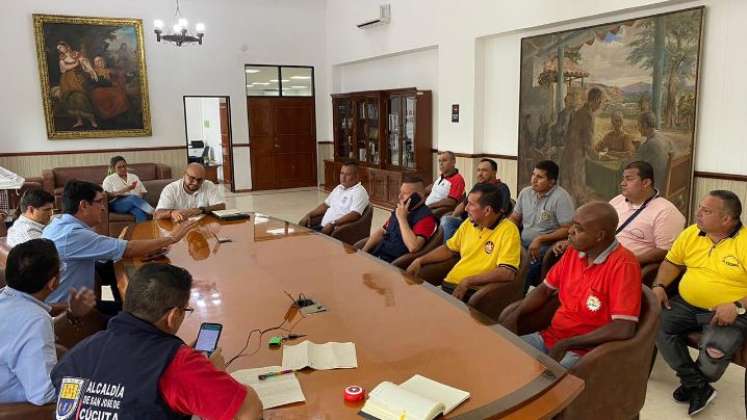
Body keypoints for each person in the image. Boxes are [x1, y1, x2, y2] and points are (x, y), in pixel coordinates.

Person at [51, 263, 263, 419]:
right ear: (173, 316)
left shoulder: (80, 353)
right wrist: (216, 372)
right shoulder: (177, 365)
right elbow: (248, 410)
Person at [501, 202, 642, 368]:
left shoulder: (624, 265)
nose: (570, 231)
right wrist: (517, 313)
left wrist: (569, 343)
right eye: (573, 225)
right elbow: (545, 289)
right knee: (501, 353)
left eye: (579, 228)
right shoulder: (574, 251)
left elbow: (624, 327)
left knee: (548, 384)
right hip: (550, 338)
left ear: (600, 236)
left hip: (585, 353)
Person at [652, 190, 747, 416]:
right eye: (700, 208)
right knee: (655, 322)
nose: (698, 214)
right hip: (686, 304)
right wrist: (659, 285)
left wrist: (736, 305)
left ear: (726, 219)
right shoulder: (691, 233)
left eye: (706, 211)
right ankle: (696, 385)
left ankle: (695, 383)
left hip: (730, 312)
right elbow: (671, 262)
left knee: (714, 356)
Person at [42, 180, 196, 307]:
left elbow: (111, 251)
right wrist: (172, 238)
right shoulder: (73, 235)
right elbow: (127, 249)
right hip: (68, 310)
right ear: (83, 205)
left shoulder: (58, 224)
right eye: (99, 202)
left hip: (72, 300)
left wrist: (142, 248)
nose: (103, 208)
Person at [0, 239, 95, 405]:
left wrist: (72, 314)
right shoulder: (35, 319)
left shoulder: (7, 300)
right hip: (17, 408)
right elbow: (45, 395)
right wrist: (90, 385)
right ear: (52, 283)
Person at [553, 161, 685, 265]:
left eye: (629, 179)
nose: (622, 183)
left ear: (646, 183)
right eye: (623, 179)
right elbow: (596, 228)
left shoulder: (666, 212)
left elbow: (665, 251)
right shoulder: (618, 200)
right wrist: (572, 242)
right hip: (595, 255)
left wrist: (627, 261)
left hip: (625, 266)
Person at [406, 183, 519, 302]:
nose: (465, 208)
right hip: (450, 285)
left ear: (487, 210)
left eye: (471, 204)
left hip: (473, 292)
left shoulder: (508, 231)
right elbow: (449, 249)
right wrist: (420, 260)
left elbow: (506, 272)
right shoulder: (469, 223)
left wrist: (468, 281)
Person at [510, 160, 574, 291]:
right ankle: (501, 295)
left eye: (539, 177)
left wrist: (540, 239)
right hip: (522, 242)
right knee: (503, 262)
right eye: (533, 175)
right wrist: (506, 232)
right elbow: (515, 218)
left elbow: (568, 229)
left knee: (527, 268)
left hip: (546, 245)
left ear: (552, 181)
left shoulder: (561, 198)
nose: (534, 180)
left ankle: (522, 297)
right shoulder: (525, 193)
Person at [361, 175, 437, 263]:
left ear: (418, 196)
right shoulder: (401, 209)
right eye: (400, 192)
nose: (399, 196)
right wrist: (363, 251)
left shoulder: (426, 218)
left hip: (394, 263)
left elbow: (413, 247)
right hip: (379, 254)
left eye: (405, 193)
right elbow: (382, 231)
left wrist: (402, 219)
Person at [440, 158, 505, 241]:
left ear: (494, 172)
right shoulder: (478, 186)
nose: (480, 174)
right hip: (466, 221)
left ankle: (453, 249)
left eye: (484, 170)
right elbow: (464, 204)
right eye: (478, 170)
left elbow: (500, 212)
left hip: (481, 224)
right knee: (446, 219)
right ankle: (452, 247)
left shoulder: (501, 188)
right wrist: (453, 215)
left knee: (447, 221)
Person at [299, 160, 369, 235]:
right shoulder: (339, 188)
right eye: (342, 173)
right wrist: (309, 214)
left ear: (356, 176)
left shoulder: (359, 192)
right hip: (321, 226)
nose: (343, 177)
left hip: (336, 230)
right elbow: (325, 205)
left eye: (347, 174)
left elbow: (355, 214)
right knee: (299, 232)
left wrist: (333, 223)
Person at [561, 87, 603, 202]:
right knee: (576, 189)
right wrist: (598, 157)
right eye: (600, 102)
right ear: (595, 100)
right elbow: (587, 142)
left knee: (569, 188)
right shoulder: (587, 115)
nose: (600, 106)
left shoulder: (579, 112)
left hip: (569, 154)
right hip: (576, 157)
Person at [155, 163, 226, 222]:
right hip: (178, 229)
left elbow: (221, 206)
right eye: (192, 178)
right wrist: (171, 213)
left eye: (199, 180)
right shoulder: (171, 189)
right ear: (184, 175)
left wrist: (200, 210)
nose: (195, 183)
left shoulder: (208, 185)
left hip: (203, 227)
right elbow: (157, 214)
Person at [56, 41, 98, 129]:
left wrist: (92, 71)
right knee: (72, 100)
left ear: (66, 46)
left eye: (61, 47)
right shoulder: (62, 58)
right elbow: (63, 70)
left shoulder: (75, 53)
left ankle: (92, 120)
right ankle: (79, 121)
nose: (60, 49)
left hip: (78, 80)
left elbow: (85, 62)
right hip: (67, 81)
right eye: (59, 49)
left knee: (82, 98)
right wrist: (75, 64)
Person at [102, 156, 154, 222]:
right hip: (116, 204)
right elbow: (107, 196)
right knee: (132, 198)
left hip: (134, 202)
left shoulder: (134, 177)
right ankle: (155, 213)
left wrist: (138, 201)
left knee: (139, 213)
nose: (123, 169)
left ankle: (142, 231)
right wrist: (125, 190)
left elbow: (142, 191)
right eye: (119, 167)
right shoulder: (109, 179)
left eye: (124, 166)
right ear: (113, 168)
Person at [635, 111, 673, 192]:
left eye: (638, 125)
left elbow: (637, 166)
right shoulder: (664, 138)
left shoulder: (649, 144)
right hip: (668, 183)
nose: (638, 128)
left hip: (655, 185)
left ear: (645, 125)